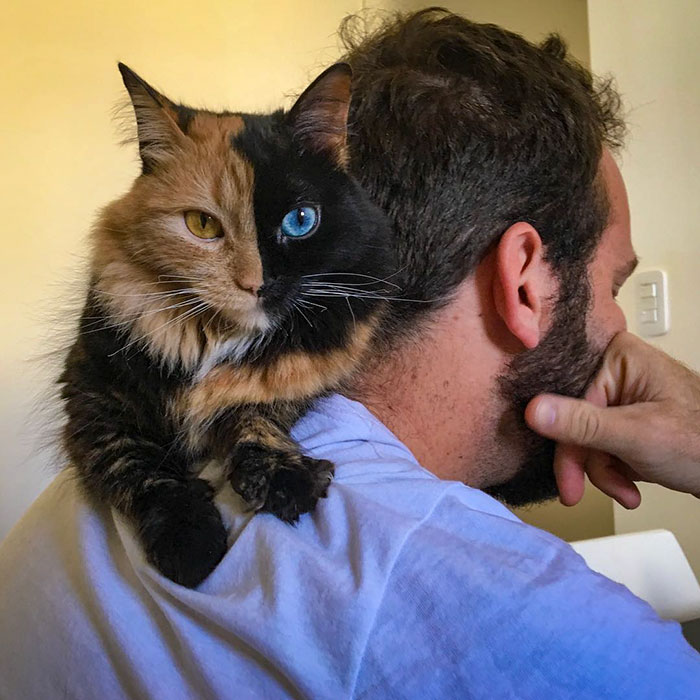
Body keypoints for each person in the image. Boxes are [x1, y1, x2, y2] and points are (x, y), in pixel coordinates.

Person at [1, 8, 699, 699]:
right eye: (613, 284)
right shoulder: (497, 606)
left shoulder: (83, 500)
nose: (621, 331)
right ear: (523, 280)